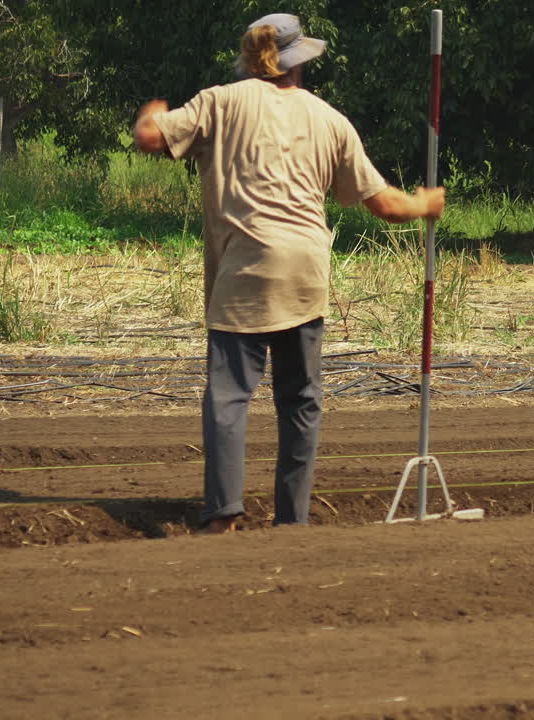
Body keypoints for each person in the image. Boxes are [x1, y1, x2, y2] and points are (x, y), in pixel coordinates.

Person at [133, 13, 445, 533]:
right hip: (305, 273)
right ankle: (291, 519)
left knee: (229, 396)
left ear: (251, 63)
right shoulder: (329, 119)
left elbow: (149, 137)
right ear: (299, 63)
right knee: (300, 400)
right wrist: (424, 204)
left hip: (245, 272)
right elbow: (386, 206)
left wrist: (154, 109)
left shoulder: (221, 101)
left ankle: (224, 511)